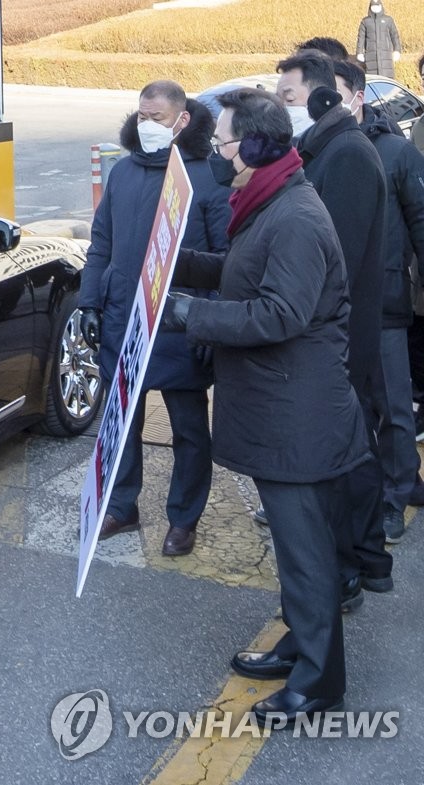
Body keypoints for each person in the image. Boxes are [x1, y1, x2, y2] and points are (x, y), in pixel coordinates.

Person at [162, 87, 370, 726]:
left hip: (298, 419)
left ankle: (320, 684)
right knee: (293, 550)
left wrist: (193, 314)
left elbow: (280, 313)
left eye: (224, 142)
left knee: (308, 557)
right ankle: (298, 646)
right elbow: (243, 272)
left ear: (254, 146)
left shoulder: (297, 217)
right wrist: (179, 264)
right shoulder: (269, 201)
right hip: (281, 410)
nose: (219, 155)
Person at [79, 80, 230, 557]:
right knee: (122, 421)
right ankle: (122, 506)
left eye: (158, 119)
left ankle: (183, 518)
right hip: (124, 318)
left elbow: (226, 258)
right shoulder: (122, 173)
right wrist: (89, 302)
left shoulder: (205, 177)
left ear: (182, 121)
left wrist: (211, 321)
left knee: (188, 428)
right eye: (142, 117)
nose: (147, 126)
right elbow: (101, 242)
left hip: (180, 324)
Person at [274, 49, 390, 609]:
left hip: (337, 340)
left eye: (289, 98)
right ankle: (346, 562)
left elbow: (330, 263)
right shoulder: (321, 148)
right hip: (331, 337)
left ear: (322, 97)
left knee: (343, 459)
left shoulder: (344, 156)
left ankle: (350, 566)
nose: (282, 108)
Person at [333, 57, 424, 546]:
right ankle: (353, 496)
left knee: (392, 407)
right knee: (346, 408)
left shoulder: (396, 153)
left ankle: (396, 496)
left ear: (357, 97)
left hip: (385, 301)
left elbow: (422, 221)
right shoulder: (310, 153)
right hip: (330, 307)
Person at [356, 2, 402, 79]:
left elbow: (395, 36)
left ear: (381, 6)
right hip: (371, 56)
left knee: (388, 80)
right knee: (374, 79)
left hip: (386, 55)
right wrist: (359, 52)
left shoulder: (388, 20)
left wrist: (397, 50)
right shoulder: (365, 21)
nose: (375, 8)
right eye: (373, 6)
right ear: (370, 7)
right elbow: (361, 38)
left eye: (377, 5)